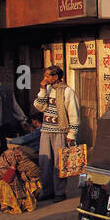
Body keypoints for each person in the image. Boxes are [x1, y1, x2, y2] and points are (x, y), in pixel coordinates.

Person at [32, 66, 80, 201]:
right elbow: (39, 106)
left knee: (59, 164)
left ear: (56, 77)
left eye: (48, 76)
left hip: (60, 131)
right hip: (46, 130)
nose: (45, 78)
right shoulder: (47, 90)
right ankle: (47, 191)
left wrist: (72, 134)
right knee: (45, 162)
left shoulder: (67, 91)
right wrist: (42, 90)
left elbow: (73, 113)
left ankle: (60, 192)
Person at [0, 141, 42, 214]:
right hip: (8, 186)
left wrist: (24, 174)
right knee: (2, 183)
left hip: (19, 186)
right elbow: (7, 179)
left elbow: (33, 171)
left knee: (32, 180)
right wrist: (13, 167)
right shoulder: (0, 167)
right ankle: (5, 205)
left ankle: (24, 203)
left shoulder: (22, 160)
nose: (18, 157)